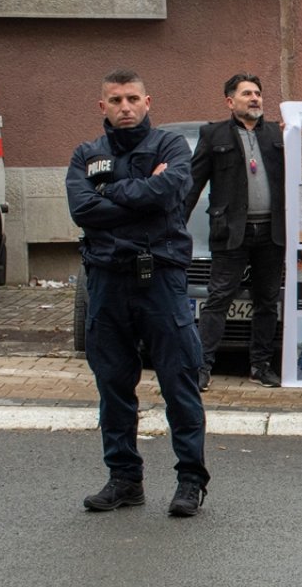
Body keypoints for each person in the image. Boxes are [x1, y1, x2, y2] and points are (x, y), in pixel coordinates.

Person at [65, 69, 208, 517]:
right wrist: (141, 194)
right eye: (115, 100)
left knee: (179, 381)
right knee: (112, 385)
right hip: (106, 282)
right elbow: (82, 208)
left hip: (160, 281)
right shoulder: (86, 154)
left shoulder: (170, 147)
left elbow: (170, 194)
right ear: (101, 106)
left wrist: (114, 193)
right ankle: (124, 479)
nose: (124, 107)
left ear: (148, 102)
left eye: (132, 98)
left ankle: (190, 482)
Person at [185, 73, 284, 392]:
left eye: (258, 93)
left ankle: (260, 366)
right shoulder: (213, 135)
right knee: (218, 299)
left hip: (271, 232)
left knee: (266, 301)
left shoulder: (277, 134)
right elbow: (193, 183)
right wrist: (173, 223)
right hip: (231, 232)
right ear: (231, 101)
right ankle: (203, 366)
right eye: (246, 94)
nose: (255, 98)